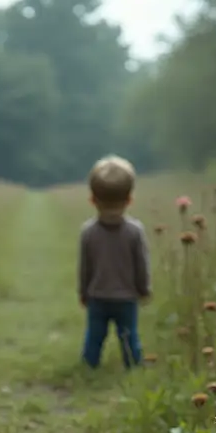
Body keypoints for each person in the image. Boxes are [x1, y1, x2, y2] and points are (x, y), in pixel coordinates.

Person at [78, 155, 151, 368]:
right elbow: (141, 264)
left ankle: (89, 367)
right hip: (126, 298)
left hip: (97, 297)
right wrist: (144, 288)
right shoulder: (135, 231)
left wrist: (83, 292)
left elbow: (85, 268)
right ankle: (133, 366)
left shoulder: (88, 232)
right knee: (129, 338)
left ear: (92, 199)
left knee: (94, 337)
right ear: (130, 199)